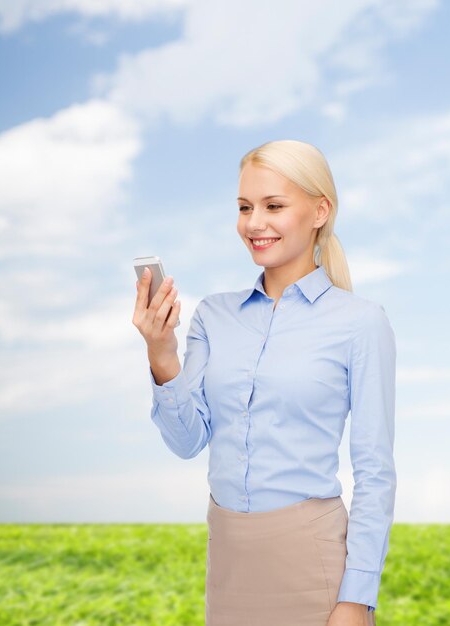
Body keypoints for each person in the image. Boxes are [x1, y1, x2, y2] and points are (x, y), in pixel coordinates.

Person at [133, 139, 397, 626]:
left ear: (320, 210)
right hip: (229, 565)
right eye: (244, 207)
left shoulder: (361, 322)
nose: (254, 223)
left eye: (274, 206)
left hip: (314, 566)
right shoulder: (213, 316)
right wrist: (161, 354)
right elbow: (188, 441)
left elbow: (375, 472)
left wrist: (357, 597)